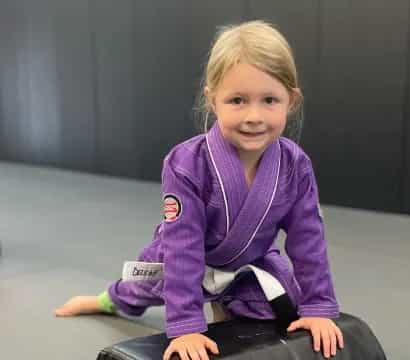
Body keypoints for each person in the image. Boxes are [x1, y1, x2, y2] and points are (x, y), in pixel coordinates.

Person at [55, 20, 344, 360]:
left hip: (247, 263)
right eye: (237, 100)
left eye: (270, 100)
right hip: (184, 258)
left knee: (274, 312)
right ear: (213, 99)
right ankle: (104, 300)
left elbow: (308, 239)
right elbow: (184, 247)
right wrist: (187, 326)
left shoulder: (295, 166)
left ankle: (226, 304)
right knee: (138, 290)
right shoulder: (186, 163)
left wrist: (317, 307)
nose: (254, 115)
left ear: (291, 101)